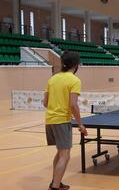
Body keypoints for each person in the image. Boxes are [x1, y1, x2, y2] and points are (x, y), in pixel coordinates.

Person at [43, 51, 88, 190]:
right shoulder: (74, 80)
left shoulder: (53, 78)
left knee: (60, 152)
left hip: (49, 120)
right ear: (76, 65)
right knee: (65, 155)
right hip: (62, 121)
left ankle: (55, 182)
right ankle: (55, 186)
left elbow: (45, 102)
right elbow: (73, 105)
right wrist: (80, 124)